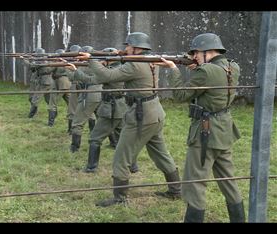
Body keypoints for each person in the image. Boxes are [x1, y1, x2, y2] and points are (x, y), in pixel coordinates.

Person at [75, 32, 181, 207]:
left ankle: (119, 198)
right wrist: (120, 56)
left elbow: (106, 77)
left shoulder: (135, 65)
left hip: (141, 116)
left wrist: (91, 59)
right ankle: (176, 190)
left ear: (136, 48)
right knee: (161, 154)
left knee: (121, 157)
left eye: (128, 46)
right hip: (155, 113)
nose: (125, 49)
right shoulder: (150, 60)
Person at [156, 33, 245, 222]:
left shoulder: (205, 72)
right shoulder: (232, 66)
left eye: (196, 52)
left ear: (207, 51)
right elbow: (210, 81)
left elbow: (181, 96)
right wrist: (197, 67)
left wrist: (173, 69)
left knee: (194, 183)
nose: (194, 56)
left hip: (206, 132)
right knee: (228, 180)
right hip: (224, 130)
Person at [67, 47, 138, 173]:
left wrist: (76, 71)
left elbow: (91, 80)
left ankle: (91, 167)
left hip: (111, 109)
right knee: (124, 139)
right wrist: (76, 70)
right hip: (121, 108)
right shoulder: (122, 70)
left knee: (95, 138)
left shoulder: (112, 73)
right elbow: (92, 80)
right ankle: (133, 166)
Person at [68, 45, 101, 153]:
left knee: (77, 122)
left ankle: (74, 148)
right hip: (100, 93)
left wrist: (69, 69)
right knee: (105, 120)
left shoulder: (85, 65)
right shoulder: (97, 64)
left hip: (89, 94)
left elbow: (73, 77)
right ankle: (114, 142)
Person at [47, 49, 71, 127]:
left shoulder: (58, 63)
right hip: (68, 84)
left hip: (59, 84)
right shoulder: (69, 61)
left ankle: (51, 123)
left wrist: (50, 62)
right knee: (72, 104)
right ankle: (72, 123)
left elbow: (48, 69)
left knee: (53, 103)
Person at [27, 47, 54, 118]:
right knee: (49, 100)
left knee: (35, 99)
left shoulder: (41, 61)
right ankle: (53, 114)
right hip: (49, 81)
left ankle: (31, 115)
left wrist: (25, 59)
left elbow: (31, 66)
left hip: (44, 82)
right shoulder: (47, 60)